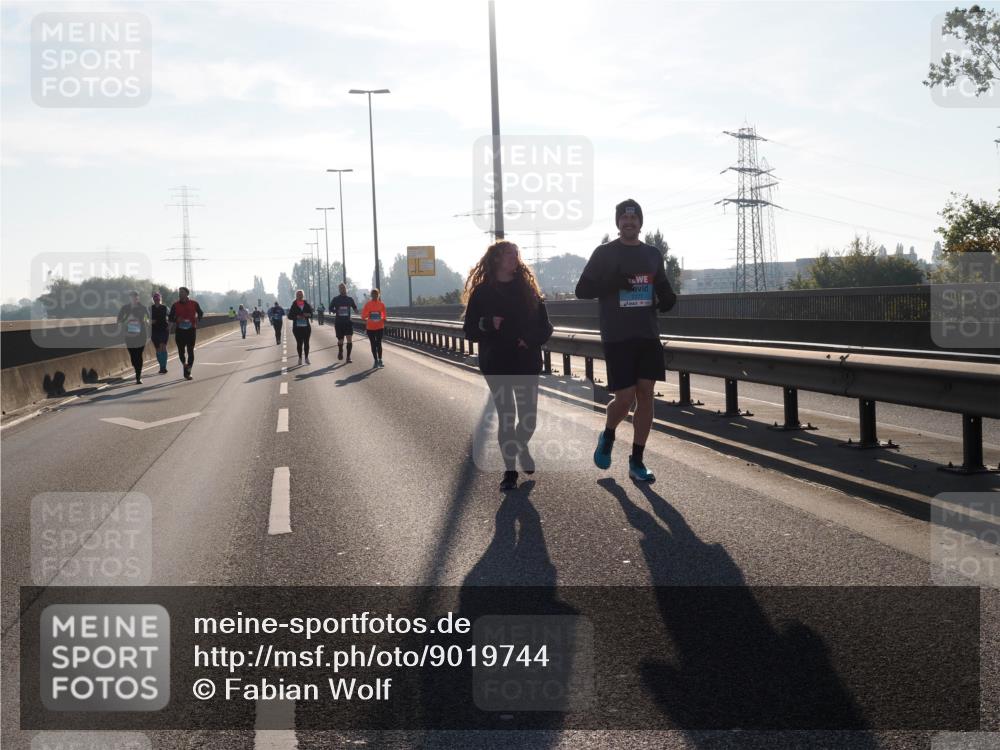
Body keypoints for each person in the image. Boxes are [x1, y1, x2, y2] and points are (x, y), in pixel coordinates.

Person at [575, 198, 676, 482]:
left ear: (640, 223)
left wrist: (668, 297)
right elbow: (582, 290)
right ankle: (608, 434)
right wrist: (610, 284)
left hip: (648, 334)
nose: (629, 223)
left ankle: (637, 461)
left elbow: (662, 285)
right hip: (617, 336)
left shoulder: (652, 254)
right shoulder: (604, 253)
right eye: (624, 219)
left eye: (634, 219)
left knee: (646, 394)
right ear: (618, 223)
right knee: (625, 398)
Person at [463, 241, 553, 491]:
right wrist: (487, 323)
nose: (515, 257)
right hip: (497, 363)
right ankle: (510, 472)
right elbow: (469, 330)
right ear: (496, 260)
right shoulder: (482, 293)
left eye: (516, 253)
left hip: (526, 362)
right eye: (508, 254)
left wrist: (529, 340)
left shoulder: (528, 290)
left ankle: (520, 445)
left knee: (528, 420)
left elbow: (546, 327)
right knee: (507, 416)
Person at [168, 286, 205, 380]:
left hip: (191, 330)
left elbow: (201, 313)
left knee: (190, 350)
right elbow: (170, 317)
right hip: (180, 331)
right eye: (179, 292)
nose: (180, 294)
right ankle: (185, 365)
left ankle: (188, 372)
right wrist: (176, 319)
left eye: (182, 292)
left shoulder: (194, 303)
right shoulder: (175, 305)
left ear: (187, 294)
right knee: (181, 351)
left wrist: (197, 319)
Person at [117, 290, 151, 384]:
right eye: (132, 297)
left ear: (138, 298)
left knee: (138, 355)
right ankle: (136, 368)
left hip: (141, 334)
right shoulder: (125, 308)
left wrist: (145, 321)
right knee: (133, 355)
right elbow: (119, 319)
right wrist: (126, 319)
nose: (134, 298)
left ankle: (138, 376)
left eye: (135, 297)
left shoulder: (143, 308)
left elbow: (147, 318)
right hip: (129, 335)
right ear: (129, 298)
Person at [329, 283, 359, 363]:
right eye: (341, 288)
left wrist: (357, 311)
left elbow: (355, 307)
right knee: (341, 341)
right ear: (339, 290)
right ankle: (340, 351)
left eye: (344, 288)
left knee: (349, 340)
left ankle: (348, 357)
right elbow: (330, 308)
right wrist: (336, 311)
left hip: (348, 322)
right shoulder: (335, 299)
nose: (343, 289)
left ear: (346, 289)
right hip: (339, 323)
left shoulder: (350, 299)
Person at [361, 289, 387, 368]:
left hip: (379, 327)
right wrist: (369, 315)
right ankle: (375, 361)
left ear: (379, 295)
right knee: (373, 344)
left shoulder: (382, 304)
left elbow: (384, 315)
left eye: (376, 294)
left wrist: (383, 318)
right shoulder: (368, 304)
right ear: (371, 295)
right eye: (373, 294)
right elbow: (363, 316)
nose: (375, 296)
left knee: (378, 343)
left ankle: (380, 360)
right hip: (370, 328)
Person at [286, 289, 314, 365]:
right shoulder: (294, 304)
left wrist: (307, 315)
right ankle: (300, 358)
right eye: (298, 295)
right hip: (297, 328)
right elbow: (289, 316)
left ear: (303, 295)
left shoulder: (306, 304)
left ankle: (306, 358)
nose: (300, 296)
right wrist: (296, 316)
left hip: (306, 327)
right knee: (299, 343)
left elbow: (311, 314)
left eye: (301, 295)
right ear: (296, 296)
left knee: (306, 343)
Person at [150, 291, 170, 373]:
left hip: (164, 329)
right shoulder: (150, 309)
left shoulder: (165, 308)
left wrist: (169, 326)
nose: (156, 300)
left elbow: (171, 316)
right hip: (154, 330)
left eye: (158, 298)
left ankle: (163, 367)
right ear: (153, 299)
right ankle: (161, 366)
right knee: (158, 349)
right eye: (155, 298)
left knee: (163, 347)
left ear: (160, 299)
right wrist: (150, 321)